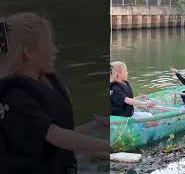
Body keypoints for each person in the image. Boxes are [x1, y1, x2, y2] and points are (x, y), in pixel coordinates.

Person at [0, 13, 108, 174]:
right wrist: (110, 146)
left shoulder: (41, 85)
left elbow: (52, 137)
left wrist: (96, 126)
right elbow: (57, 137)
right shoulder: (17, 98)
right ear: (29, 52)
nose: (56, 50)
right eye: (50, 45)